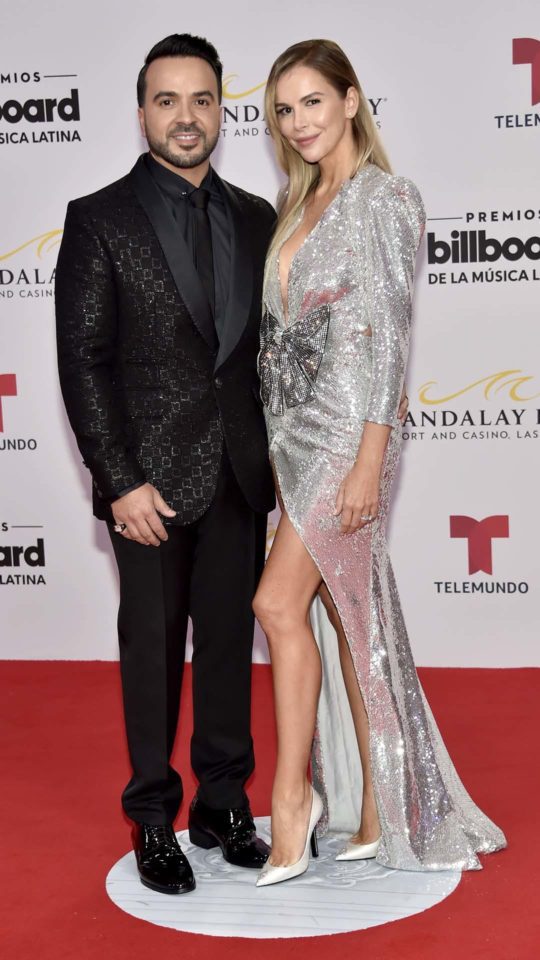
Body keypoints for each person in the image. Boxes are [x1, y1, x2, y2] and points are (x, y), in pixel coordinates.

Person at [254, 39, 507, 886]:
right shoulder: (299, 201)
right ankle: (374, 805)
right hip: (294, 438)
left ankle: (295, 800)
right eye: (285, 110)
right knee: (350, 620)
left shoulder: (384, 198)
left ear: (352, 100)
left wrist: (369, 464)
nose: (300, 121)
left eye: (314, 102)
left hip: (346, 441)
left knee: (276, 600)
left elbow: (389, 341)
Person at [55, 33, 276, 895]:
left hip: (238, 474)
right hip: (147, 484)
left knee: (228, 645)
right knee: (151, 650)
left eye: (202, 100)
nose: (187, 118)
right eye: (167, 100)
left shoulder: (258, 215)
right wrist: (117, 480)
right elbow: (85, 359)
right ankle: (153, 818)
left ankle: (223, 803)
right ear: (143, 110)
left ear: (223, 108)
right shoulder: (99, 216)